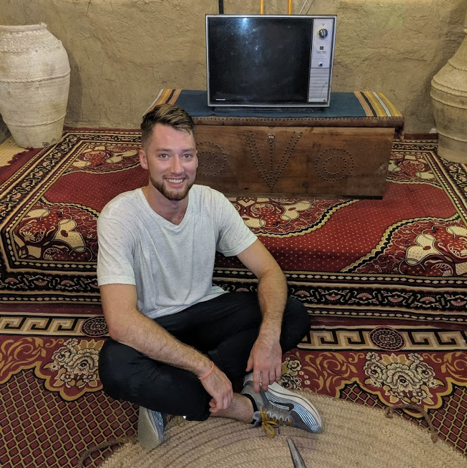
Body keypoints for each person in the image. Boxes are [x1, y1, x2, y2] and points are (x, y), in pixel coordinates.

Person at [97, 103, 323, 449]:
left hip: (207, 311)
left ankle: (167, 395)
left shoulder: (212, 202)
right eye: (164, 156)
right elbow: (122, 322)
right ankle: (244, 406)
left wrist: (268, 338)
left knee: (290, 312)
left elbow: (269, 271)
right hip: (155, 325)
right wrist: (205, 370)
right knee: (116, 368)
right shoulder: (119, 217)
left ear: (197, 159)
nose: (177, 168)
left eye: (186, 155)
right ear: (144, 159)